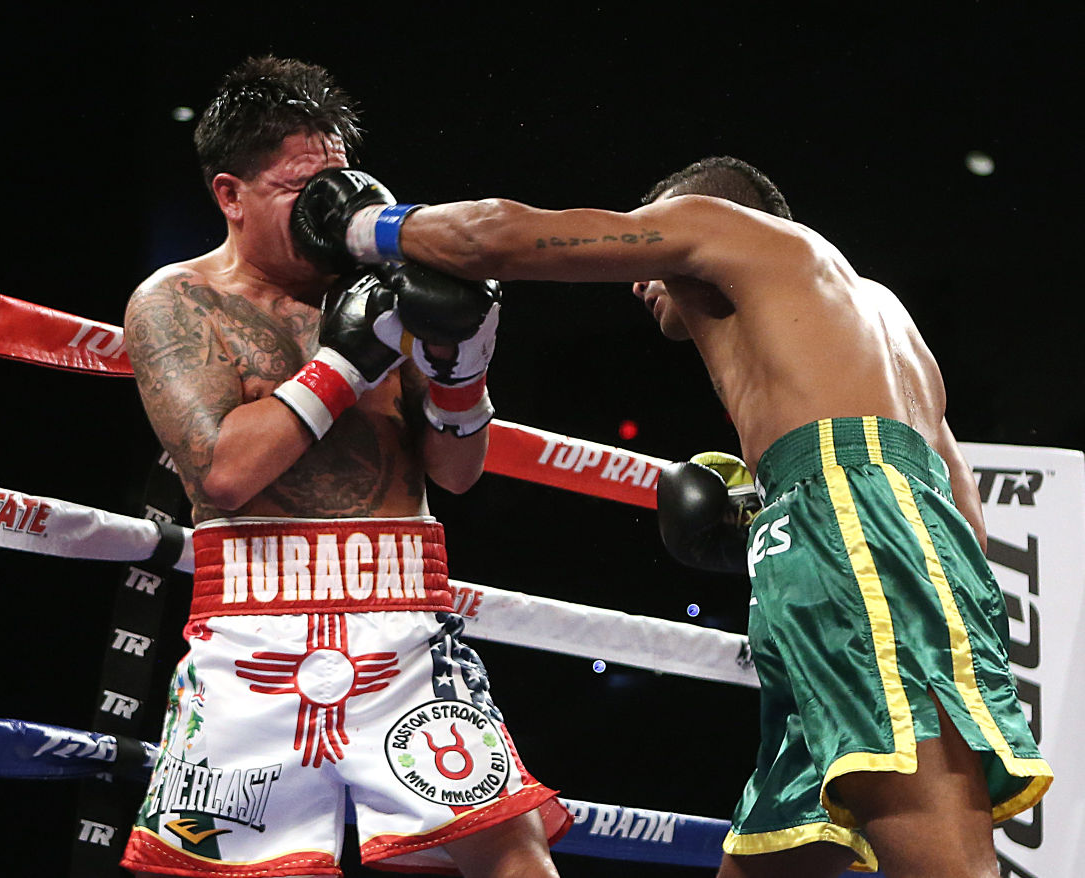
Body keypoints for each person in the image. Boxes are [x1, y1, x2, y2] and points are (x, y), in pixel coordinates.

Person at [288, 156, 1053, 878]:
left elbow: (502, 236)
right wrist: (776, 520)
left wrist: (365, 225)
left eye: (651, 240)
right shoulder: (877, 316)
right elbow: (959, 522)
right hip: (847, 538)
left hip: (853, 535)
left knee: (940, 852)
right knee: (779, 846)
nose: (636, 280)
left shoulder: (724, 226)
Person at [119, 55, 570, 878]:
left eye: (339, 182)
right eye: (301, 189)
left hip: (402, 617)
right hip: (253, 629)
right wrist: (349, 358)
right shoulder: (177, 301)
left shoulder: (386, 288)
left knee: (511, 853)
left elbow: (458, 474)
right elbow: (221, 473)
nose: (330, 210)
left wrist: (461, 371)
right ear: (230, 194)